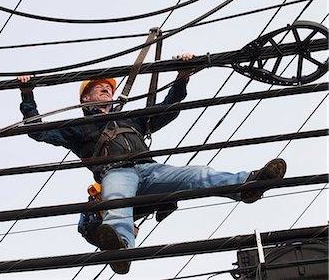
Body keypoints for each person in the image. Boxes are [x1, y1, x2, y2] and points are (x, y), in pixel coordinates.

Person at [18, 54, 287, 275]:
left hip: (149, 170)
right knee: (115, 201)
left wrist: (181, 77)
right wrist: (27, 94)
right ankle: (121, 247)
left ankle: (248, 185)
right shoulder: (77, 127)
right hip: (116, 172)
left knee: (198, 174)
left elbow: (167, 109)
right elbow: (38, 131)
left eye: (109, 88)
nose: (106, 89)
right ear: (85, 99)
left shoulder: (131, 119)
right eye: (98, 88)